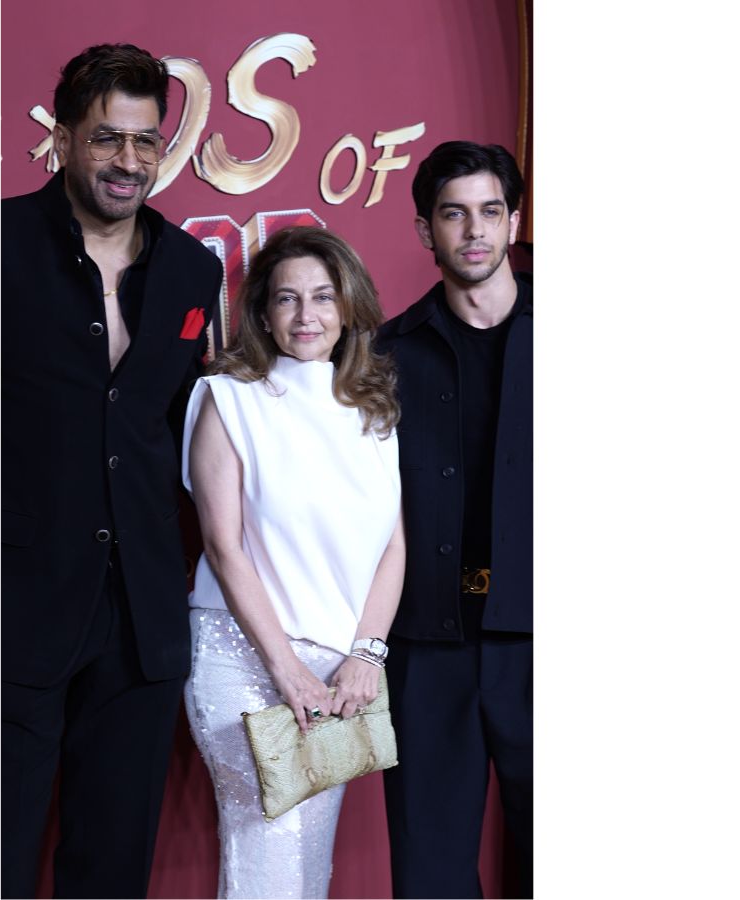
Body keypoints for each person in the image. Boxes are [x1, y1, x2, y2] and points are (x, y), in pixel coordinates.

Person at [1, 43, 223, 899]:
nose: (128, 160)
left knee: (112, 872)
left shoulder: (194, 271)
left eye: (145, 140)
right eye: (106, 138)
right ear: (62, 140)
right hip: (12, 610)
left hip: (139, 620)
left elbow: (182, 433)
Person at [181, 226, 406, 899]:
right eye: (287, 298)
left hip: (339, 672)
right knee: (269, 859)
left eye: (323, 297)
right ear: (263, 312)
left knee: (308, 863)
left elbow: (393, 546)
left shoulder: (372, 412)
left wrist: (367, 654)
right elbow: (223, 547)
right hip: (244, 660)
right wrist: (284, 668)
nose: (306, 315)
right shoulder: (229, 399)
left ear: (348, 308)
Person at [376, 141, 533, 898]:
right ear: (425, 230)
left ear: (514, 222)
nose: (474, 231)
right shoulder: (385, 356)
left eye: (490, 212)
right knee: (430, 874)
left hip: (544, 636)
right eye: (454, 214)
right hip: (428, 643)